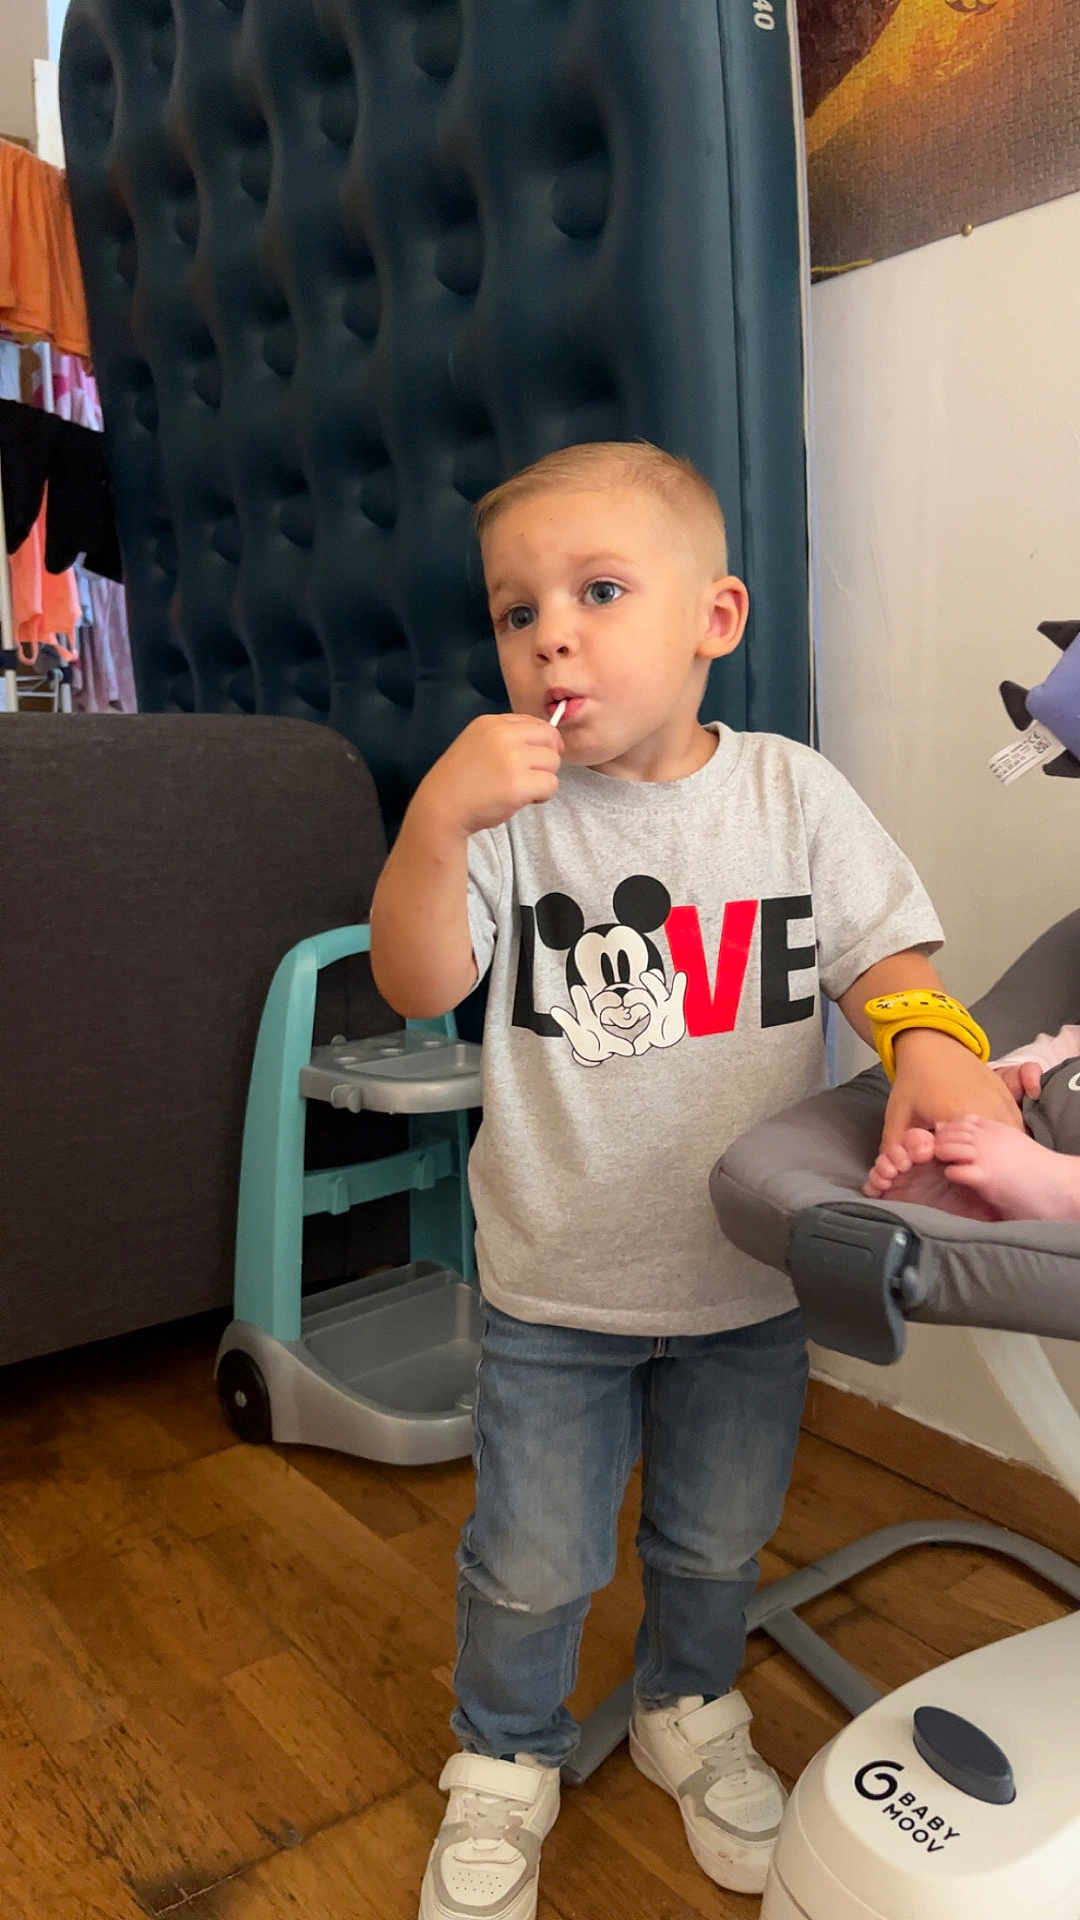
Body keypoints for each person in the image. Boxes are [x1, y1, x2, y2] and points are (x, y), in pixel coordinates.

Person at [369, 440, 1020, 1920]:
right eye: (516, 609)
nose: (551, 635)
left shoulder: (791, 795)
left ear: (716, 620)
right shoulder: (506, 817)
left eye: (598, 591)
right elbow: (419, 979)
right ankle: (506, 1753)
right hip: (553, 1282)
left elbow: (885, 960)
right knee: (533, 1559)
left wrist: (930, 1044)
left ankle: (687, 1706)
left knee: (718, 1537)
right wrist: (434, 821)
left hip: (748, 1281)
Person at [865, 1023, 1080, 1221]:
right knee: (996, 1130)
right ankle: (967, 1195)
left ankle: (1061, 1186)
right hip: (1034, 1136)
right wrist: (1007, 1076)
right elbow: (1047, 1053)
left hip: (1058, 1167)